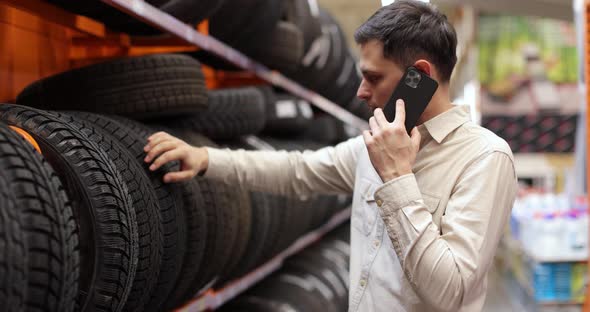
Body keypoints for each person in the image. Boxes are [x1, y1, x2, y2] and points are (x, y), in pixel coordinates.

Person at [143, 1, 517, 311]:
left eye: (373, 77)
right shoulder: (375, 144)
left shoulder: (484, 158)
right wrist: (208, 158)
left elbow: (449, 292)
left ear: (417, 76)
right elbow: (297, 170)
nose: (360, 92)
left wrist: (398, 178)